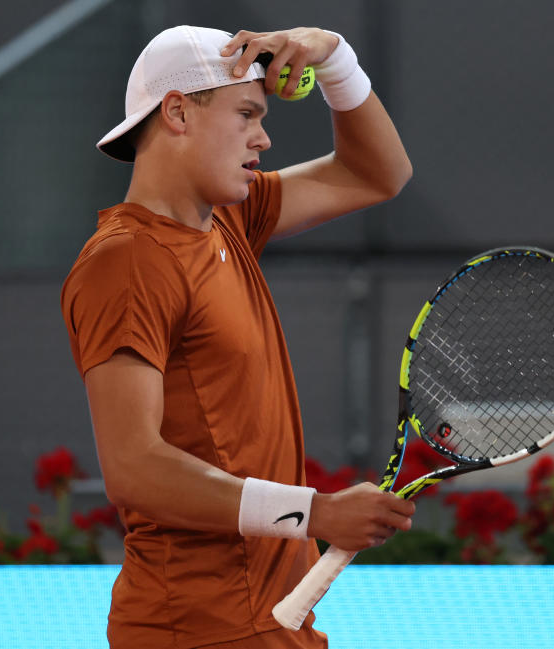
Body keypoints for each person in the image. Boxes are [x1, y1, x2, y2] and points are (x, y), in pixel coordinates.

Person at [60, 25, 414, 649]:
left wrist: (332, 54)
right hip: (198, 630)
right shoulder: (128, 262)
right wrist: (317, 512)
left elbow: (378, 174)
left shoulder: (229, 220)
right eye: (246, 113)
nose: (264, 137)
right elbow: (134, 468)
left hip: (269, 620)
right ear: (177, 112)